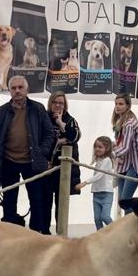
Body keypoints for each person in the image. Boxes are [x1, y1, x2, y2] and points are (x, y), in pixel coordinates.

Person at [0, 76, 55, 233]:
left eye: (20, 87)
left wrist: (41, 152)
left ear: (27, 89)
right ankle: (11, 234)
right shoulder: (2, 112)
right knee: (9, 200)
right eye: (13, 88)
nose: (17, 91)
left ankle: (35, 234)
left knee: (37, 200)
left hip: (32, 162)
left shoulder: (38, 109)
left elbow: (49, 133)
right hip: (8, 161)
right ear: (10, 91)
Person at [41, 91, 81, 234]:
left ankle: (61, 232)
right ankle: (44, 231)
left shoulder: (70, 120)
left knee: (61, 202)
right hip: (46, 166)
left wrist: (60, 123)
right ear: (50, 103)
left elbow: (75, 136)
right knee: (45, 202)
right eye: (55, 102)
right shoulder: (43, 118)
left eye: (61, 103)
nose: (58, 105)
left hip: (63, 169)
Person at [112, 93, 138, 211]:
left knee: (126, 201)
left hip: (134, 164)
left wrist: (112, 153)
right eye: (116, 104)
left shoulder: (129, 123)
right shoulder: (120, 122)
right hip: (124, 164)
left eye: (121, 104)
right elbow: (121, 144)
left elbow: (125, 148)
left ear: (128, 106)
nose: (117, 106)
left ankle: (135, 223)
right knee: (122, 201)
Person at [76, 136, 116, 231]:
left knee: (105, 216)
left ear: (107, 148)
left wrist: (85, 183)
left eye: (100, 147)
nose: (97, 149)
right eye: (96, 146)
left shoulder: (107, 160)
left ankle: (116, 230)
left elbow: (99, 175)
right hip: (97, 193)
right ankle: (100, 235)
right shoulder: (99, 160)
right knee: (97, 218)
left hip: (106, 193)